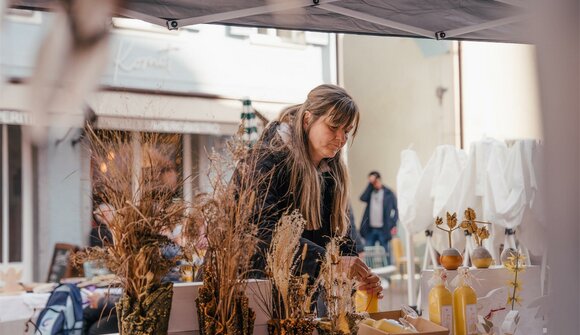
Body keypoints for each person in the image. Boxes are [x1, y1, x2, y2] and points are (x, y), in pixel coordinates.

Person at [249, 84, 383, 305]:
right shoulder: (267, 160)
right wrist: (330, 262)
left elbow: (336, 237)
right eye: (333, 127)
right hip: (253, 295)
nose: (341, 138)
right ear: (307, 120)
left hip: (299, 301)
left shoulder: (329, 172)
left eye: (347, 131)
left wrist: (357, 276)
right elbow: (261, 233)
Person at [359, 171, 399, 265]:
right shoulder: (370, 193)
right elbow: (362, 198)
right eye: (371, 182)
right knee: (368, 255)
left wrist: (393, 224)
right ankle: (369, 277)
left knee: (386, 254)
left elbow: (396, 210)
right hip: (370, 230)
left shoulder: (388, 193)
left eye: (374, 181)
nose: (373, 183)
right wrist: (369, 184)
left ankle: (387, 278)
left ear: (379, 179)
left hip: (383, 229)